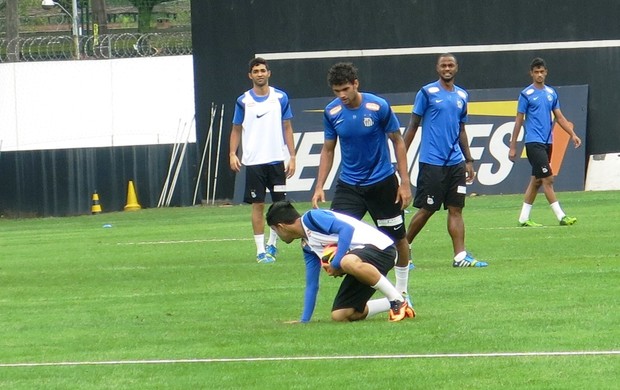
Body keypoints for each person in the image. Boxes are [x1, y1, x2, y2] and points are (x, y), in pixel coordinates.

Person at [311, 62, 413, 305]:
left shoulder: (378, 106)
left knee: (397, 239)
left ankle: (403, 291)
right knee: (334, 237)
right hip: (349, 186)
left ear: (356, 84)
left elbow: (398, 141)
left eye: (346, 89)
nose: (342, 96)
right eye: (337, 91)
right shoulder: (332, 112)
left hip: (382, 183)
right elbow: (328, 149)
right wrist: (319, 185)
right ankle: (354, 288)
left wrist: (405, 182)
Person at [266, 200, 416, 323]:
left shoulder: (311, 218)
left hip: (382, 249)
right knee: (340, 315)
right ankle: (396, 300)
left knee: (346, 262)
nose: (277, 235)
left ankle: (396, 300)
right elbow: (312, 284)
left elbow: (346, 229)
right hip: (360, 263)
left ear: (281, 226)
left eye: (274, 230)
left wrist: (336, 263)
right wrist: (304, 320)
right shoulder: (307, 246)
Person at [403, 53, 488, 268]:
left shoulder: (462, 95)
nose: (447, 68)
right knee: (427, 209)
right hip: (432, 162)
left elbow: (461, 129)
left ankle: (460, 256)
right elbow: (413, 126)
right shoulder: (426, 93)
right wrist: (401, 156)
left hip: (456, 163)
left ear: (456, 68)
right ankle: (403, 249)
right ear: (437, 68)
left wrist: (468, 160)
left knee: (456, 208)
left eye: (451, 65)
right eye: (443, 65)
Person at [229, 57, 297, 263]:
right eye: (256, 71)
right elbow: (236, 128)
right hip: (254, 162)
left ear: (269, 73)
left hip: (277, 159)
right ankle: (260, 251)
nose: (260, 74)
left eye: (263, 70)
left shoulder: (280, 97)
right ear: (250, 75)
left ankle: (272, 245)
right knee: (257, 205)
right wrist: (233, 153)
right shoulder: (243, 100)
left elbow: (287, 127)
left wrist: (292, 156)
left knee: (280, 206)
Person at [509, 57, 582, 227]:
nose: (539, 75)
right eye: (536, 72)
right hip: (533, 142)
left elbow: (560, 117)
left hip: (547, 142)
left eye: (542, 72)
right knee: (548, 179)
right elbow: (519, 121)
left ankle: (523, 218)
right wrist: (513, 146)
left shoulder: (551, 93)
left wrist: (572, 134)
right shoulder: (526, 95)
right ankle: (561, 216)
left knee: (536, 181)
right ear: (531, 74)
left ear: (546, 72)